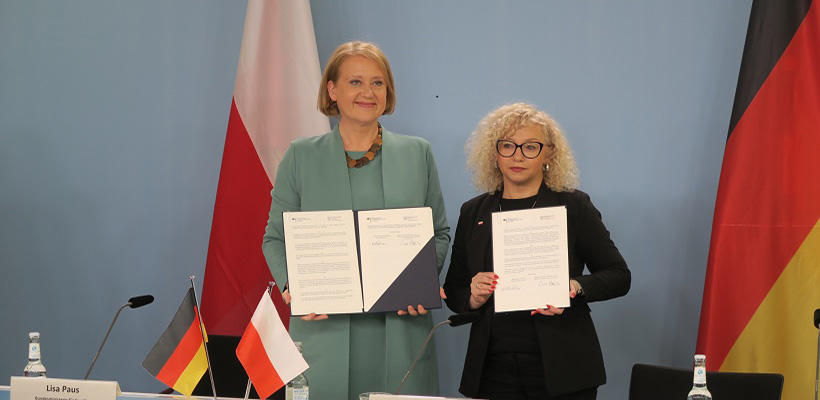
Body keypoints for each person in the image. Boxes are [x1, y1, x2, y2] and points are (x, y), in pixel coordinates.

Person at [262, 41, 450, 400]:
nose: (368, 92)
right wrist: (293, 287)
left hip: (402, 327)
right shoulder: (301, 156)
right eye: (355, 82)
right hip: (323, 328)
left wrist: (420, 280)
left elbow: (439, 233)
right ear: (332, 90)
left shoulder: (417, 153)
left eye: (378, 83)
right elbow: (274, 238)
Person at [443, 103, 630, 400]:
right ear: (494, 152)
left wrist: (574, 287)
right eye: (507, 146)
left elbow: (619, 276)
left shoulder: (573, 205)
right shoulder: (473, 211)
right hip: (492, 368)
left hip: (564, 366)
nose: (517, 155)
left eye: (530, 147)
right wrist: (471, 295)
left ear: (549, 153)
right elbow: (454, 289)